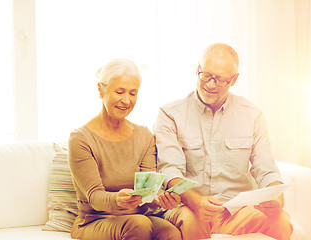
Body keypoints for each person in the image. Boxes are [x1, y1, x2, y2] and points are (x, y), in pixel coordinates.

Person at [153, 43, 293, 240]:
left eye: (220, 80)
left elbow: (266, 169)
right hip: (189, 209)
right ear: (197, 69)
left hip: (236, 211)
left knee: (280, 221)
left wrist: (277, 200)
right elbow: (169, 171)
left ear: (234, 80)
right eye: (206, 75)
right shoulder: (170, 114)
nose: (210, 84)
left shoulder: (252, 114)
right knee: (192, 221)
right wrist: (197, 202)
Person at [68, 59, 182, 240]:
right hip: (95, 220)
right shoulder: (81, 138)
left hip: (137, 218)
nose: (126, 100)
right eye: (119, 91)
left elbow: (148, 191)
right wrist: (116, 200)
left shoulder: (144, 135)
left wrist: (161, 199)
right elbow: (94, 197)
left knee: (171, 233)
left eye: (133, 93)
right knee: (139, 225)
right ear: (101, 89)